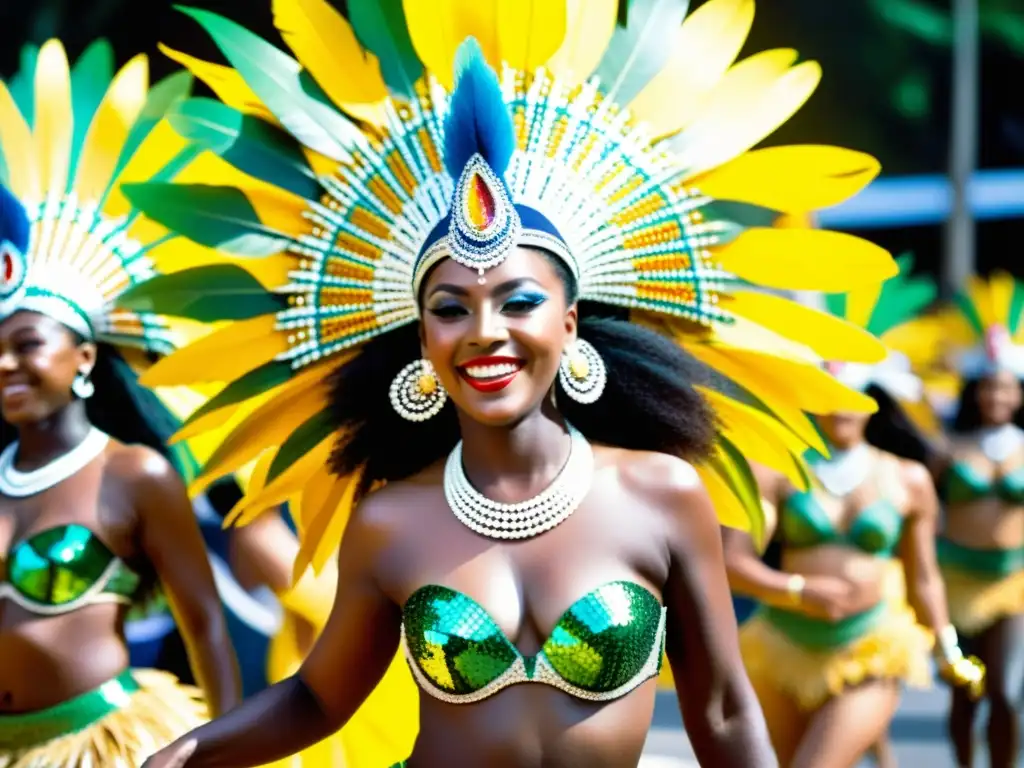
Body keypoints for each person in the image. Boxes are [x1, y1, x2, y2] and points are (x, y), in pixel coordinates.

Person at [121, 1, 898, 765]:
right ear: (424, 341)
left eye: (519, 301)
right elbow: (319, 700)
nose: (486, 330)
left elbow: (724, 710)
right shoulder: (390, 519)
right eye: (451, 308)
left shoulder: (663, 495)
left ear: (569, 324)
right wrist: (191, 751)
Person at [0, 39, 241, 766]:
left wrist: (225, 751)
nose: (5, 362)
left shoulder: (133, 475)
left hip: (102, 747)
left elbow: (205, 629)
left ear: (84, 357)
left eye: (28, 343)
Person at [723, 263, 984, 768]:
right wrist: (797, 590)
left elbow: (923, 576)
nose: (841, 410)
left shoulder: (908, 478)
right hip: (780, 645)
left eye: (852, 398)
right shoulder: (777, 469)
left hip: (874, 644)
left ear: (872, 400)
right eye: (830, 397)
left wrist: (947, 648)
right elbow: (733, 562)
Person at [936, 272, 1024, 768]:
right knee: (964, 693)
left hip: (1013, 585)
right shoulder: (949, 449)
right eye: (989, 387)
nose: (997, 396)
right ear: (975, 391)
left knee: (1007, 693)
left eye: (1007, 388)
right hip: (954, 582)